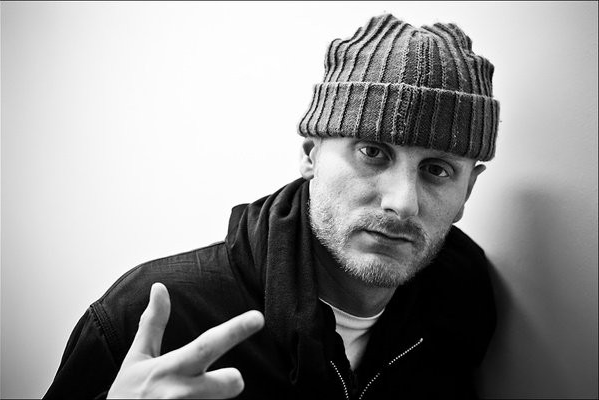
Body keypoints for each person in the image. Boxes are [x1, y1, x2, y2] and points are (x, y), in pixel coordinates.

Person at [44, 13, 498, 399]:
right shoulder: (154, 318)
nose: (401, 202)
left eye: (437, 169)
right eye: (372, 152)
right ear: (310, 156)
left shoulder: (461, 302)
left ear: (468, 191)